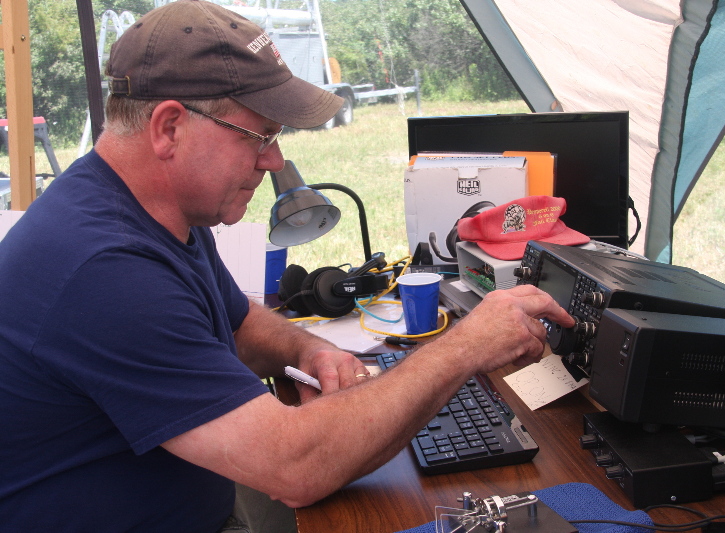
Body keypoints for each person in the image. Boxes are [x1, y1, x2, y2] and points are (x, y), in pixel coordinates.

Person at [0, 1, 575, 531]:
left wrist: (308, 351)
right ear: (169, 128)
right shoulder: (104, 270)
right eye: (261, 134)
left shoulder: (157, 210)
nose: (274, 159)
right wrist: (468, 346)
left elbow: (237, 323)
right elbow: (294, 469)